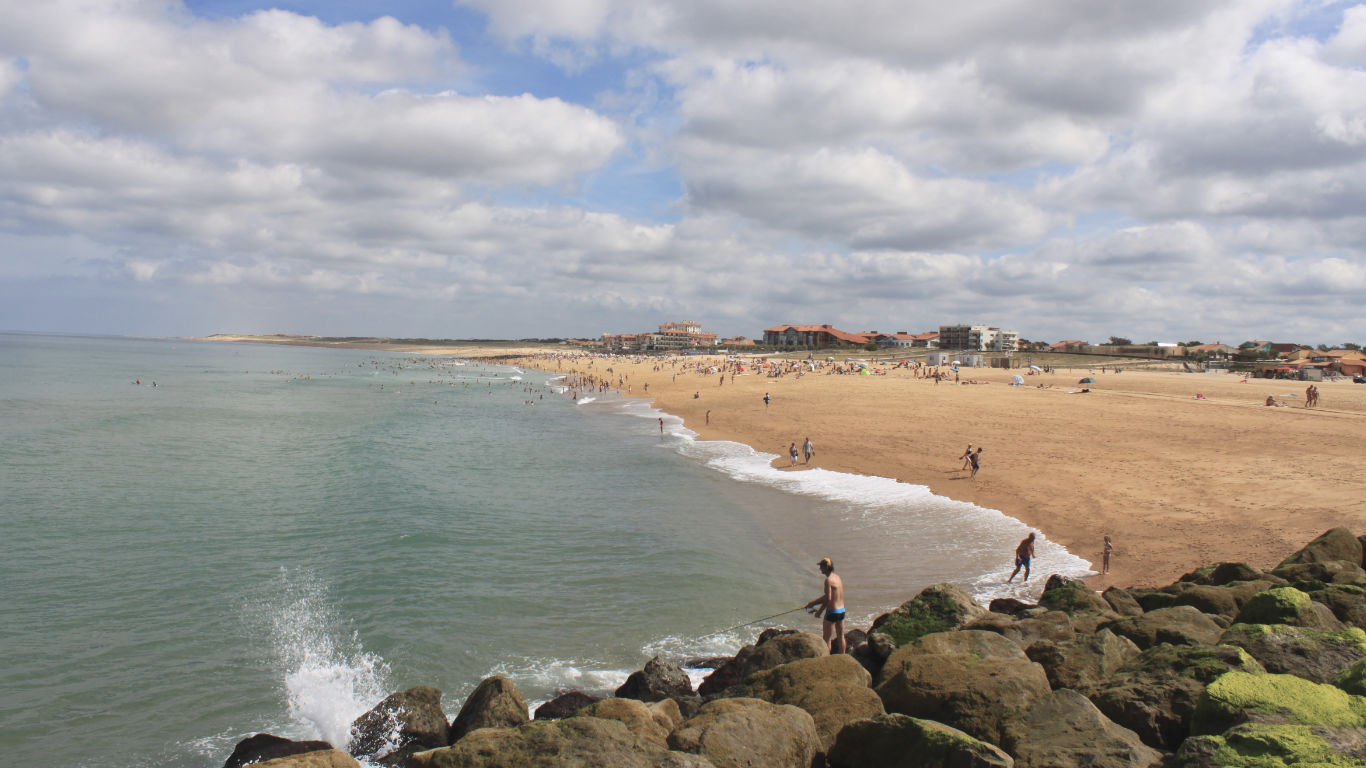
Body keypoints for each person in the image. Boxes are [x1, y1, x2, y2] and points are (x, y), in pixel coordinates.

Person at [805, 557, 846, 654]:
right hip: (842, 611)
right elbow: (829, 596)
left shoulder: (828, 580)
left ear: (827, 567)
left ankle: (827, 659)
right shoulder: (837, 577)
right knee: (841, 636)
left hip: (832, 612)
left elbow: (828, 598)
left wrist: (819, 611)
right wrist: (813, 603)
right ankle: (843, 656)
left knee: (827, 638)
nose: (820, 569)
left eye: (821, 567)